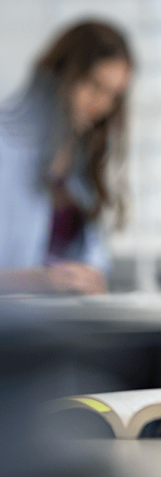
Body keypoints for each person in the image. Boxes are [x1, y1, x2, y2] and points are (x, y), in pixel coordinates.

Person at [0, 20, 133, 295]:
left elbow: (94, 264)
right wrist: (36, 282)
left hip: (61, 330)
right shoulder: (6, 143)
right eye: (95, 86)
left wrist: (92, 282)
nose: (103, 105)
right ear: (59, 73)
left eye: (113, 96)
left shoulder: (81, 162)